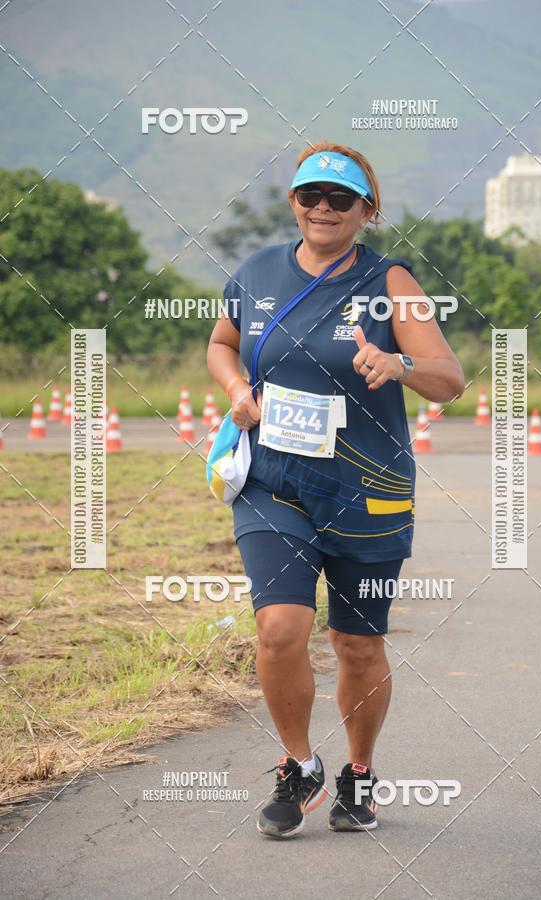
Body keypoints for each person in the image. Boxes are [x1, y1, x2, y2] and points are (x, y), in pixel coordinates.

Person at [207, 141, 465, 838]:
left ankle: (357, 771)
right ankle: (299, 765)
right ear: (293, 203)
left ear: (365, 210)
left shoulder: (391, 283)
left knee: (358, 645)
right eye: (310, 196)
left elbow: (450, 378)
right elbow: (221, 344)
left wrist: (399, 361)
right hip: (274, 482)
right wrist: (235, 389)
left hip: (368, 490)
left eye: (340, 199)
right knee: (280, 628)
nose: (323, 209)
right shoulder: (258, 272)